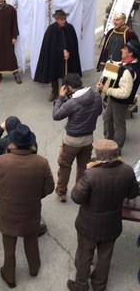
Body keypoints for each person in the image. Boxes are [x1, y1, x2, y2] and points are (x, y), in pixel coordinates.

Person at [0, 124, 54, 288]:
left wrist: (1, 193)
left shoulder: (0, 161)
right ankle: (34, 269)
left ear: (12, 142)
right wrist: (36, 196)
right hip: (31, 211)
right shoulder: (41, 162)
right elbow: (49, 188)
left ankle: (10, 277)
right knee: (31, 241)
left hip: (7, 213)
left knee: (9, 247)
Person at [67, 139, 139, 291]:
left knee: (85, 253)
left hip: (88, 224)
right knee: (105, 255)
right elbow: (133, 193)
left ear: (99, 157)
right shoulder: (127, 170)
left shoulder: (91, 174)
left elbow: (76, 197)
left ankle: (81, 285)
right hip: (112, 223)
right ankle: (99, 285)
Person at [53, 73, 102, 203]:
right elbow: (99, 112)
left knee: (65, 166)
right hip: (88, 138)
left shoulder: (72, 102)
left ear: (68, 87)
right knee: (82, 166)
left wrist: (60, 97)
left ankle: (62, 192)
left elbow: (56, 115)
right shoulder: (96, 95)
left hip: (71, 140)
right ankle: (79, 191)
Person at [97, 40, 140, 153]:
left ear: (131, 54)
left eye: (124, 49)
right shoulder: (131, 64)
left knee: (119, 124)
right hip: (115, 99)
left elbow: (124, 93)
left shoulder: (128, 71)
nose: (121, 50)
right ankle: (108, 142)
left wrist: (105, 89)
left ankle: (116, 149)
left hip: (120, 102)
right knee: (107, 118)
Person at [34, 9, 82, 102]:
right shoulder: (51, 29)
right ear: (57, 20)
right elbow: (48, 46)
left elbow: (73, 44)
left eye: (64, 19)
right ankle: (55, 92)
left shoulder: (69, 28)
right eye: (61, 19)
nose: (64, 21)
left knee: (68, 75)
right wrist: (61, 51)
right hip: (55, 59)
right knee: (54, 75)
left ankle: (68, 91)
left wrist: (69, 52)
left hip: (68, 59)